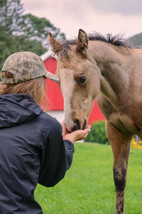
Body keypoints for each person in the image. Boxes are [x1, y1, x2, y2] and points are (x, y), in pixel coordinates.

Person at [0, 51, 90, 214]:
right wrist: (69, 142)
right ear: (38, 84)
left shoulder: (47, 127)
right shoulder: (46, 126)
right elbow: (50, 178)